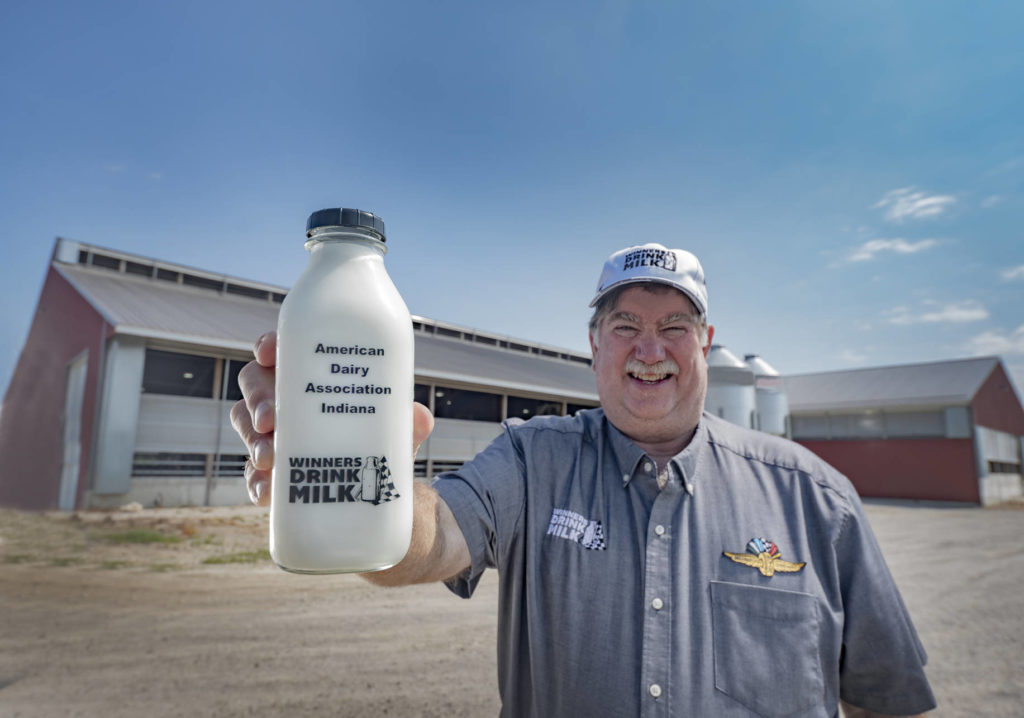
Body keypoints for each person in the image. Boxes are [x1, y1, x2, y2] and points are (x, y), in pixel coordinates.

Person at [231, 243, 936, 717]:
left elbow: (886, 697)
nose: (650, 348)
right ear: (594, 343)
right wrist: (353, 472)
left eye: (675, 326)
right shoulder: (534, 462)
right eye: (625, 324)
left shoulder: (815, 498)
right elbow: (436, 535)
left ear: (707, 344)